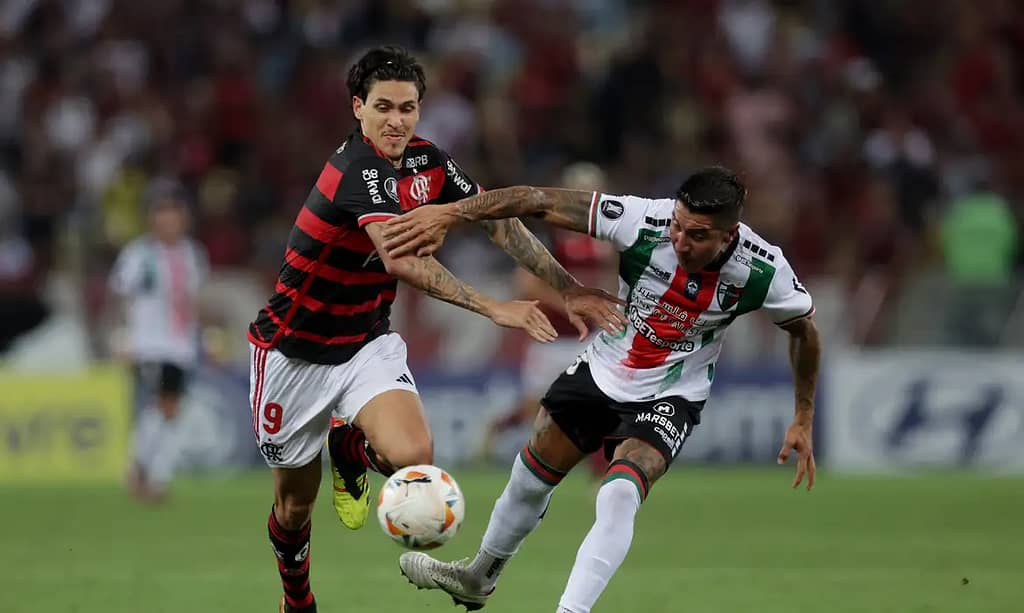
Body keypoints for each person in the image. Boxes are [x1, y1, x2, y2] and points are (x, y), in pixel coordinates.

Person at [246, 45, 624, 613]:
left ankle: (350, 444)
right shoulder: (355, 171)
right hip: (291, 353)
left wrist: (568, 287)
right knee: (294, 508)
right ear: (358, 108)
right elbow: (400, 257)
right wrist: (495, 307)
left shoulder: (427, 162)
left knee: (416, 455)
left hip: (365, 343)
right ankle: (297, 598)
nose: (397, 120)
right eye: (384, 107)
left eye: (408, 107)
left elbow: (499, 225)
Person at [386, 166, 820, 612]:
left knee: (618, 492)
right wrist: (452, 213)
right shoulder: (640, 221)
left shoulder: (764, 269)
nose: (681, 241)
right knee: (531, 472)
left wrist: (803, 415)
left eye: (698, 235)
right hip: (604, 366)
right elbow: (536, 198)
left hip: (674, 392)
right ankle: (479, 575)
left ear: (728, 237)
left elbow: (804, 332)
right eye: (677, 225)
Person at [481, 162, 617, 479]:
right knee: (536, 412)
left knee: (603, 402)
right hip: (552, 335)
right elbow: (525, 282)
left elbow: (608, 278)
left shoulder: (606, 235)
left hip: (592, 336)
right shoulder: (551, 235)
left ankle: (600, 477)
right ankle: (498, 427)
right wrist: (569, 302)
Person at [108, 178, 209, 503]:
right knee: (164, 405)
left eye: (174, 212)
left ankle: (144, 470)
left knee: (169, 409)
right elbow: (121, 296)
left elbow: (193, 300)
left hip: (181, 345)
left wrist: (201, 337)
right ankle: (149, 473)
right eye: (162, 213)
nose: (169, 220)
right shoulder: (139, 255)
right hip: (150, 343)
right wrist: (122, 336)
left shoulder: (193, 254)